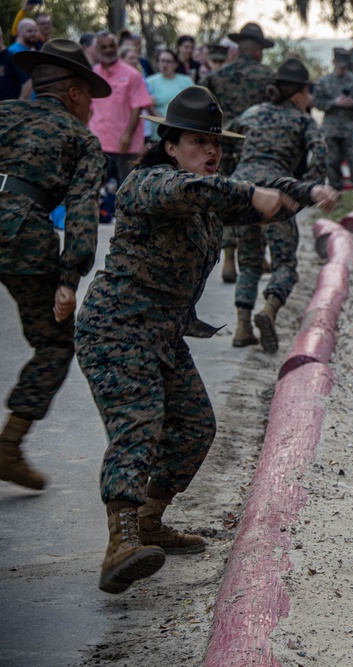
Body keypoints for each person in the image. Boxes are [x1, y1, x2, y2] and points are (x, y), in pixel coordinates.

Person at [74, 85, 338, 595]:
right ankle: (120, 543)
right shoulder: (149, 182)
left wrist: (304, 193)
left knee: (195, 428)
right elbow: (206, 193)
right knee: (139, 424)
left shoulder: (213, 192)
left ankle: (149, 520)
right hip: (117, 329)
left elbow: (261, 192)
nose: (211, 151)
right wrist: (248, 194)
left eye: (215, 142)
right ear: (170, 144)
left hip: (164, 336)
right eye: (197, 141)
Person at [0, 39, 109, 491]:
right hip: (24, 237)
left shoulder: (3, 112)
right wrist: (69, 279)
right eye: (90, 100)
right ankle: (7, 446)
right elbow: (83, 211)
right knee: (56, 344)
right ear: (75, 94)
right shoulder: (82, 140)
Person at [228, 59, 328, 352]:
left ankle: (242, 326)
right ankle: (269, 309)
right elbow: (320, 151)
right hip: (277, 192)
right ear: (298, 94)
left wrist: (229, 177)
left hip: (243, 191)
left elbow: (225, 141)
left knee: (249, 263)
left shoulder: (251, 113)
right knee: (285, 263)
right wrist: (308, 190)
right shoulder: (304, 120)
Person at [203, 22, 275, 284]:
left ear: (239, 49)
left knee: (228, 198)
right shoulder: (269, 77)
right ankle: (260, 255)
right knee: (261, 199)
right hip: (258, 149)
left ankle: (230, 258)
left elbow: (200, 106)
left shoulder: (216, 77)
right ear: (258, 51)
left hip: (223, 146)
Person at [89, 31, 152, 188]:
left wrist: (127, 135)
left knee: (127, 188)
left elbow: (138, 107)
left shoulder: (132, 75)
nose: (108, 50)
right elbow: (88, 105)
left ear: (117, 47)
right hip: (99, 141)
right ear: (97, 49)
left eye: (111, 46)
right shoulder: (92, 73)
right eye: (104, 47)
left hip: (126, 143)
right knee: (95, 187)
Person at [314, 48, 353, 194]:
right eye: (339, 64)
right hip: (331, 128)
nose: (342, 68)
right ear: (333, 62)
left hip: (350, 127)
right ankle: (335, 192)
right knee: (332, 162)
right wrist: (334, 103)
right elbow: (317, 102)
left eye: (344, 65)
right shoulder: (324, 82)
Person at [144, 48, 194, 144]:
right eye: (162, 61)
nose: (165, 64)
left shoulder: (186, 80)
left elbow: (194, 103)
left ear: (176, 64)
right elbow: (148, 107)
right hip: (158, 134)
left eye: (168, 61)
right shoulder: (150, 81)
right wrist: (165, 122)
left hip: (181, 131)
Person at [0, 21, 30, 101]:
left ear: (1, 38)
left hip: (9, 110)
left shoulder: (11, 57)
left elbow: (28, 81)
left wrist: (20, 103)